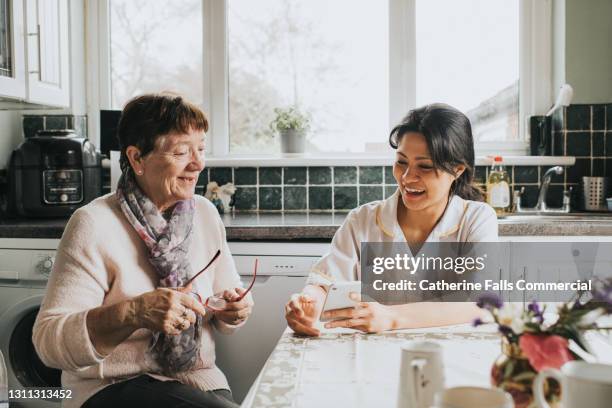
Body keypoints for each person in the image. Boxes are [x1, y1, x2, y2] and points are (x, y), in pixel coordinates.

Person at [32, 93, 253, 408]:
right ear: (137, 158)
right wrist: (132, 313)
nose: (198, 163)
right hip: (110, 386)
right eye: (181, 151)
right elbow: (48, 344)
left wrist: (233, 309)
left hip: (198, 380)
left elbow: (226, 304)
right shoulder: (93, 224)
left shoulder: (204, 213)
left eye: (201, 149)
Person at [285, 103, 497, 336]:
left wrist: (392, 318)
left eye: (424, 166)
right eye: (402, 162)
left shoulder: (476, 219)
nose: (407, 177)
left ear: (457, 170)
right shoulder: (362, 220)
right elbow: (325, 282)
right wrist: (308, 304)